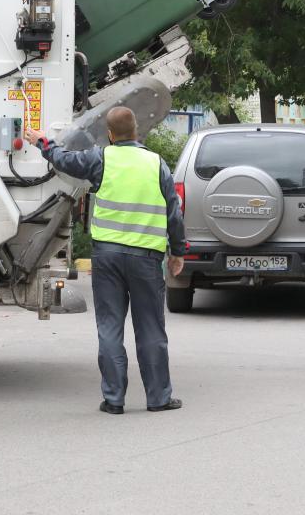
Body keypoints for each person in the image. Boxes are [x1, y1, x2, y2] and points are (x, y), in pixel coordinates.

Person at [24, 106, 186, 414]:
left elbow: (65, 160)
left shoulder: (101, 158)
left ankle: (113, 400)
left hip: (107, 258)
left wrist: (42, 142)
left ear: (110, 135)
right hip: (146, 259)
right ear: (136, 130)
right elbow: (173, 214)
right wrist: (177, 252)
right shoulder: (157, 164)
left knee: (110, 327)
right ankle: (158, 398)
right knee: (151, 328)